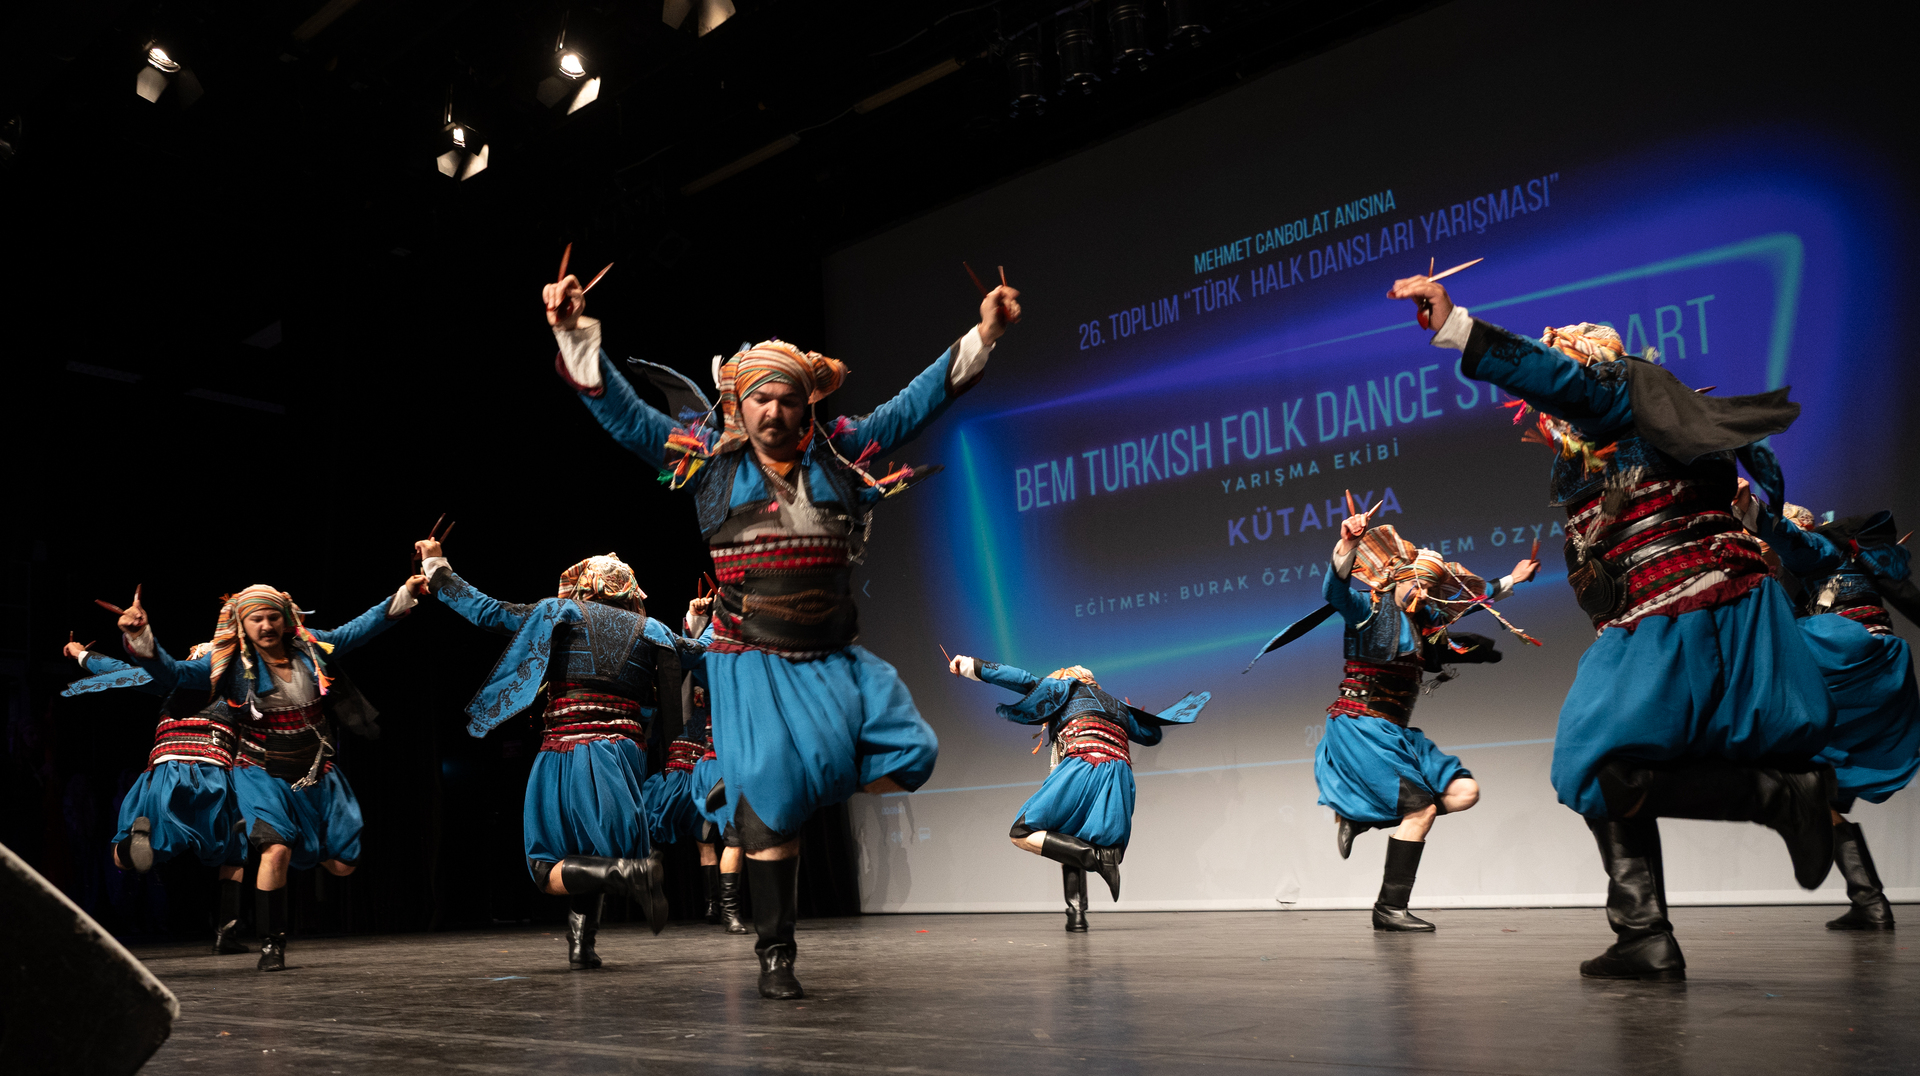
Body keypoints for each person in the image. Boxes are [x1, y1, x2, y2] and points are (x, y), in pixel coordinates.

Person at [541, 263, 1021, 998]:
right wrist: (576, 334)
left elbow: (919, 401)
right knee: (769, 805)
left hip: (832, 654)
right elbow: (627, 417)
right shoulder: (708, 464)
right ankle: (775, 954)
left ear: (807, 406)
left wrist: (984, 334)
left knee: (913, 752)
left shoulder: (843, 449)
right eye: (760, 398)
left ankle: (791, 786)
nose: (773, 411)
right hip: (749, 656)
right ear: (740, 404)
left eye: (787, 399)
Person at [1390, 277, 1837, 980]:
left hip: (1679, 604)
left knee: (1590, 759)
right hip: (1702, 603)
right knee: (1620, 763)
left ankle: (1778, 800)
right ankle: (1643, 933)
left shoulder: (1615, 389)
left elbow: (1557, 380)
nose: (1555, 362)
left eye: (1564, 348)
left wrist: (1457, 326)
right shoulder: (1653, 419)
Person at [108, 578, 421, 971]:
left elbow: (362, 627)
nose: (266, 626)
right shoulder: (228, 665)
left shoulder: (311, 645)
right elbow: (172, 673)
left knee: (343, 864)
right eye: (256, 619)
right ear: (242, 625)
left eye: (273, 617)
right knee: (275, 848)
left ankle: (306, 846)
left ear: (286, 619)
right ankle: (273, 945)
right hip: (260, 770)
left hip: (315, 768)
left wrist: (407, 592)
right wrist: (139, 635)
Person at [417, 542, 707, 966]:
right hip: (623, 754)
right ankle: (582, 945)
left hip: (565, 749)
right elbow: (705, 652)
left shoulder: (562, 612)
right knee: (590, 853)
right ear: (630, 591)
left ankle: (629, 874)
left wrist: (436, 566)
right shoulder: (654, 630)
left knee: (546, 866)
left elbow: (488, 611)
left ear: (584, 586)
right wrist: (709, 619)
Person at [1301, 507, 1538, 932]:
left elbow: (1465, 603)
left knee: (1465, 792)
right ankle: (1389, 908)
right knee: (1422, 809)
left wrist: (1512, 580)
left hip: (1396, 732)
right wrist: (1349, 543)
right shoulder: (1365, 609)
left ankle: (1364, 817)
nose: (1423, 593)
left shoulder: (1424, 620)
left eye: (1429, 588)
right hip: (1361, 727)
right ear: (1397, 579)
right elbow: (1334, 590)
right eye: (1417, 584)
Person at [1739, 490, 1919, 930]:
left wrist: (1753, 512)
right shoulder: (1840, 566)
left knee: (1772, 740)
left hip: (1844, 658)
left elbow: (1789, 540)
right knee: (1821, 792)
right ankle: (1869, 901)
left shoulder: (1817, 548)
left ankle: (1868, 898)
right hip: (1876, 673)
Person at [945, 655, 1206, 932]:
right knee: (1067, 837)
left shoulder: (1064, 688)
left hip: (1084, 765)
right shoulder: (1117, 705)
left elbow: (1022, 680)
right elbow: (1151, 735)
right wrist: (1125, 714)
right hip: (1118, 778)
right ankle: (1076, 914)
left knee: (1020, 832)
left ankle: (1096, 859)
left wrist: (970, 666)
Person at [61, 637, 250, 954]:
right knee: (234, 853)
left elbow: (120, 671)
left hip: (167, 771)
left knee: (120, 857)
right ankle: (226, 935)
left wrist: (82, 654)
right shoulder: (236, 684)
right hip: (215, 771)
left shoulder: (172, 678)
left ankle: (137, 842)